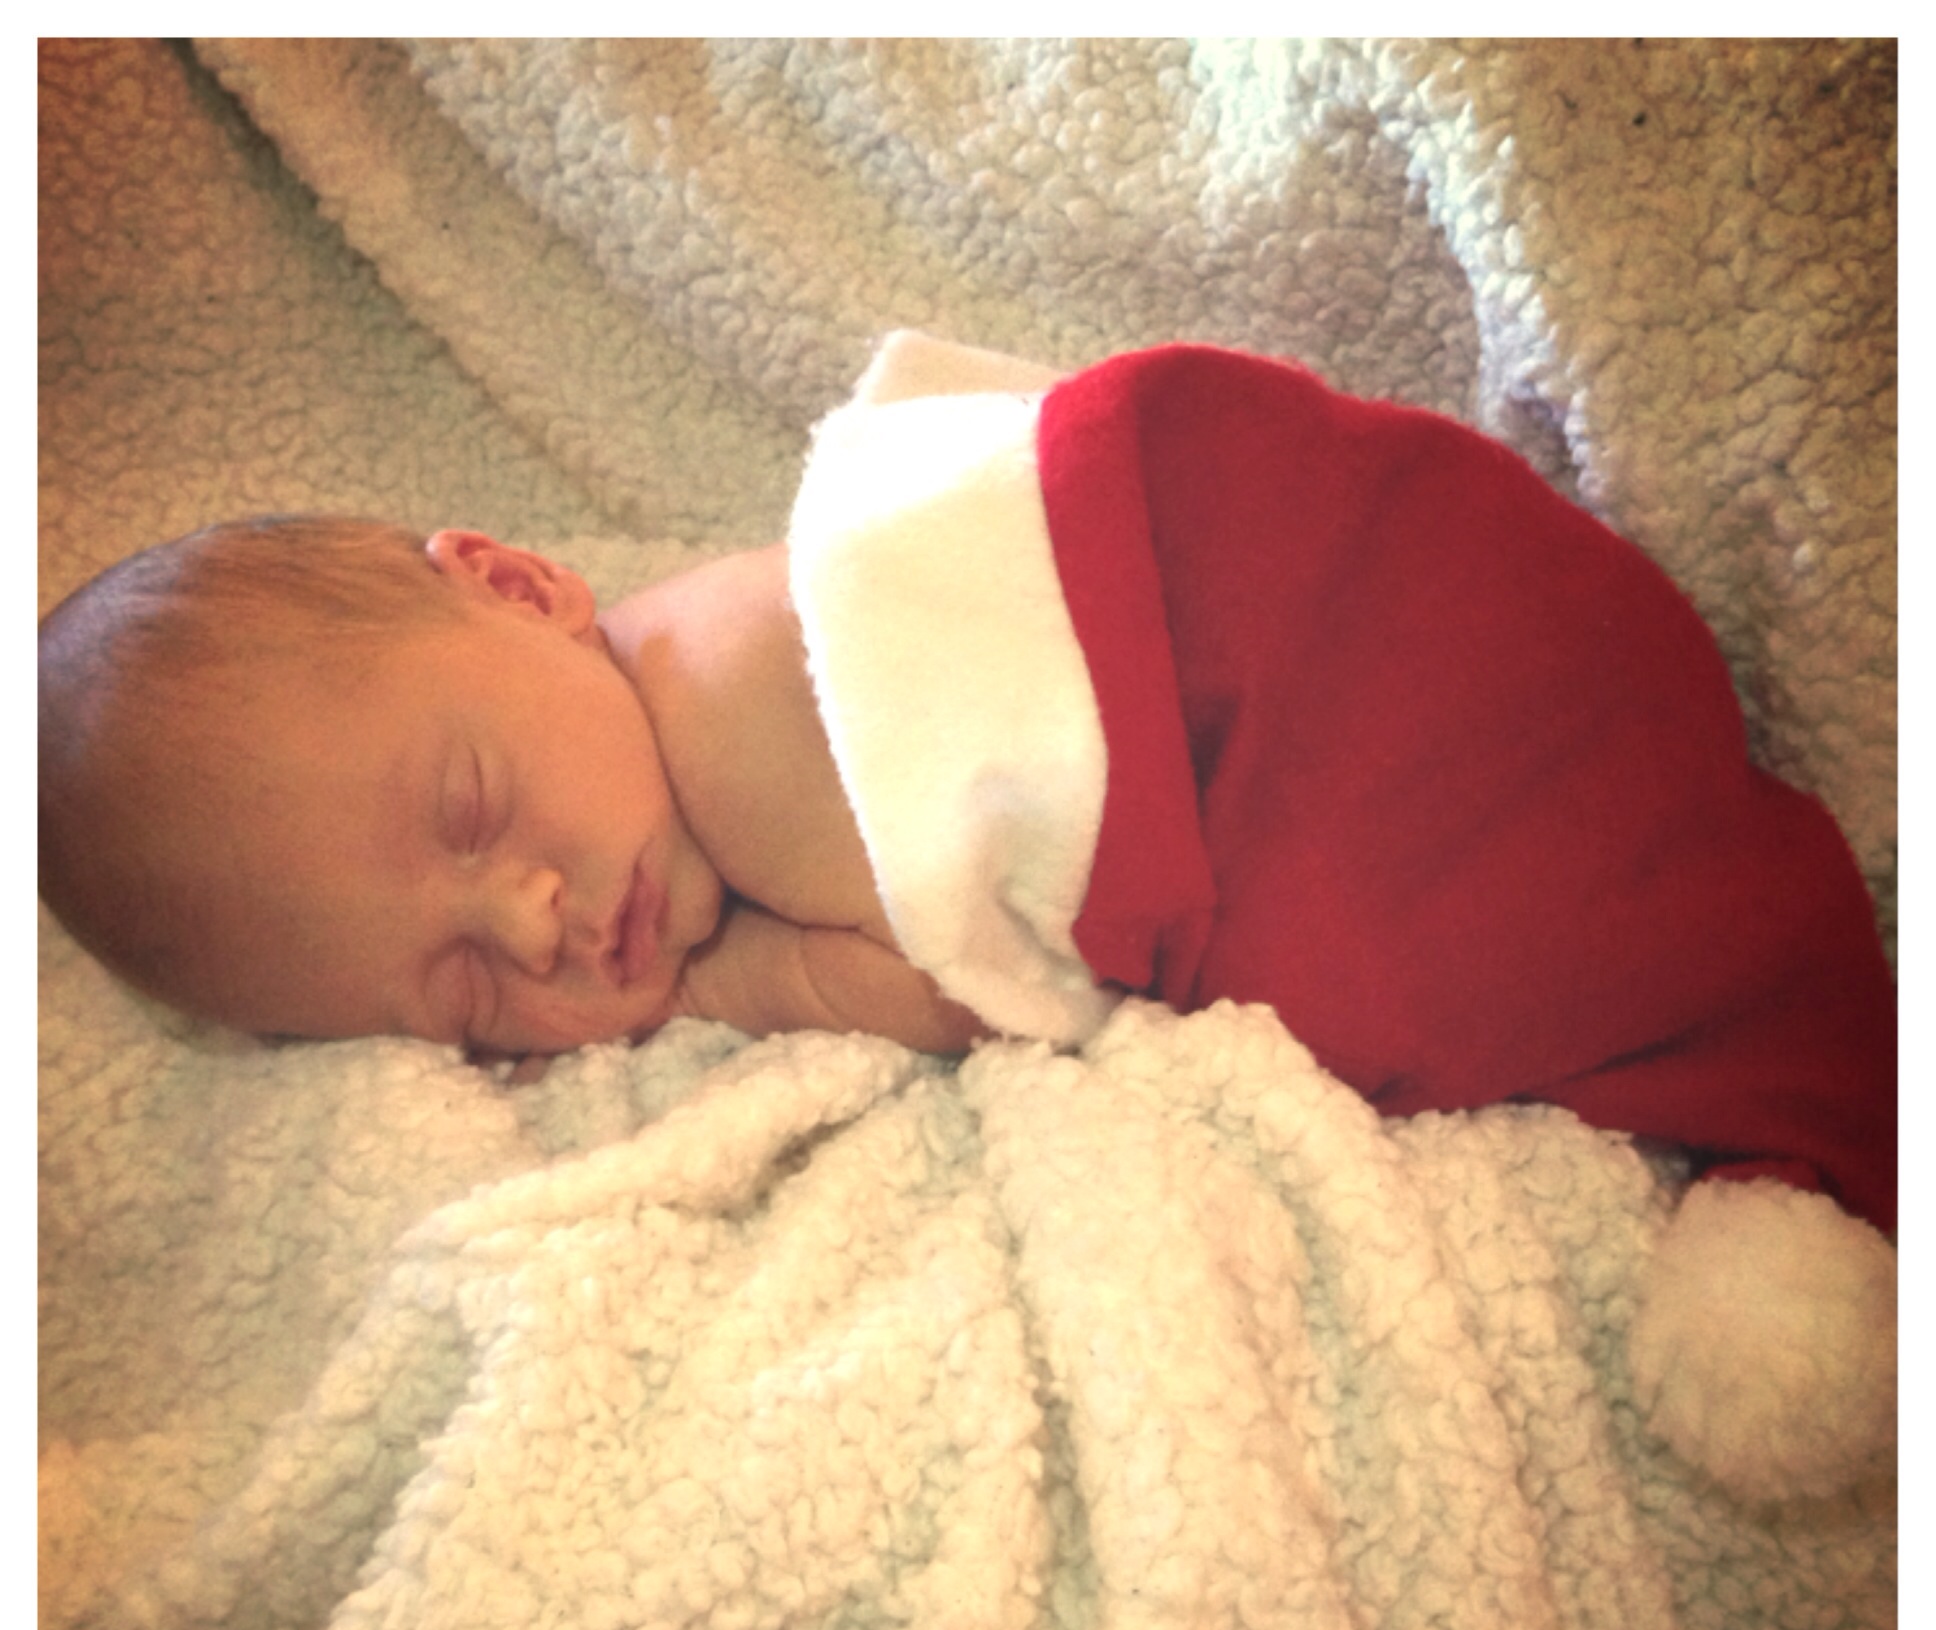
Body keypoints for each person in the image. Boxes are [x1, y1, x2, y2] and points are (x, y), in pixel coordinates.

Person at [39, 332, 1895, 1241]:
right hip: (1466, 600)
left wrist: (741, 978)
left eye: (467, 808)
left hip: (1328, 665)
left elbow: (968, 983)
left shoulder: (733, 696)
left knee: (1473, 942)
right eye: (462, 993)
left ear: (523, 586)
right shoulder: (675, 719)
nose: (528, 922)